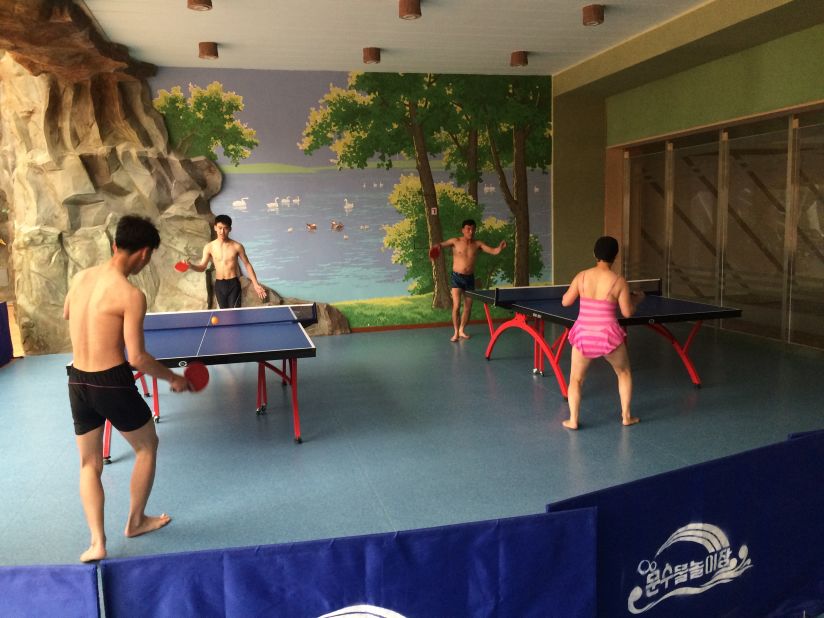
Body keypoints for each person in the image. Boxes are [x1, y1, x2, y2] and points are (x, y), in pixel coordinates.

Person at [64, 215, 191, 562]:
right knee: (147, 447)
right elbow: (137, 357)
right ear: (146, 253)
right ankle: (135, 522)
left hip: (77, 380)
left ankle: (96, 543)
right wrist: (173, 378)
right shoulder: (131, 294)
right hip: (111, 382)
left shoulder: (80, 278)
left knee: (89, 464)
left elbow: (66, 313)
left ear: (116, 244)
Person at [561, 236, 644, 430]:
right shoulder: (619, 281)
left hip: (583, 334)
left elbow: (566, 302)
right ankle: (626, 416)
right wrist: (638, 300)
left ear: (594, 254)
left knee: (576, 379)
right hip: (608, 336)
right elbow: (627, 312)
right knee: (623, 373)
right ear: (615, 256)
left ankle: (573, 420)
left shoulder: (581, 276)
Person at [432, 219, 506, 342]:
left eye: (472, 229)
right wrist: (436, 247)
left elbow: (493, 251)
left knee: (468, 307)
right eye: (468, 229)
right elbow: (441, 245)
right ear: (463, 230)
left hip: (470, 278)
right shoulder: (455, 241)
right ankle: (455, 332)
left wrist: (500, 247)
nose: (470, 231)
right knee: (456, 306)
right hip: (457, 277)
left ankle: (462, 330)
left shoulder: (478, 244)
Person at [187, 214, 267, 308]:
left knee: (234, 315)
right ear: (215, 227)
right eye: (220, 228)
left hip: (233, 284)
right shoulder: (209, 247)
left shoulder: (237, 246)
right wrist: (191, 266)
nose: (222, 231)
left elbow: (247, 265)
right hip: (219, 285)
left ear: (230, 229)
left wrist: (256, 284)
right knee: (223, 315)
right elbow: (202, 267)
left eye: (225, 228)